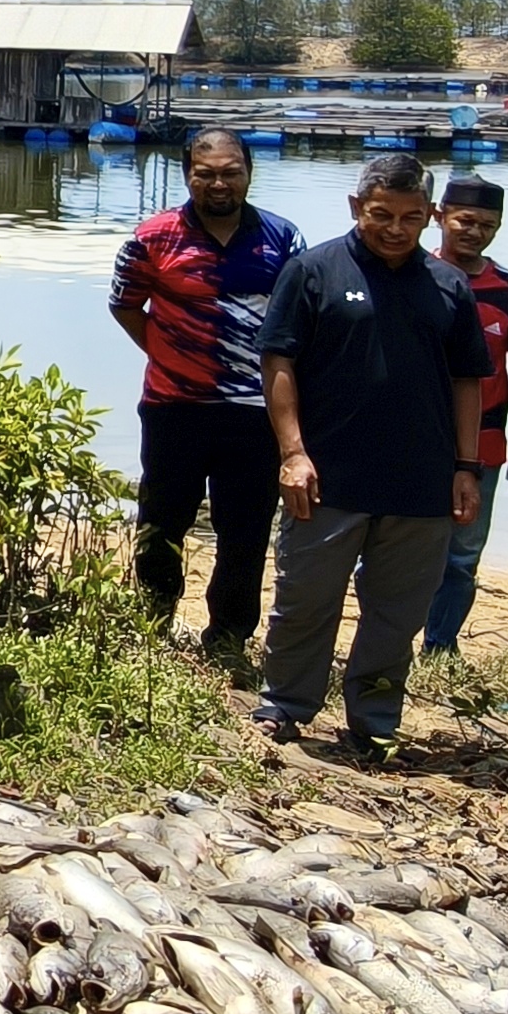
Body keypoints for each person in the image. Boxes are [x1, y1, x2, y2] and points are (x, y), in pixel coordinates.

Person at [255, 151, 491, 767]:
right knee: (305, 597)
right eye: (380, 214)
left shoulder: (449, 285)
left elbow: (469, 380)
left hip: (422, 483)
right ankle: (285, 704)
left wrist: (468, 468)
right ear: (357, 207)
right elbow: (277, 363)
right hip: (328, 476)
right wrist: (293, 452)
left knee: (396, 613)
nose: (394, 228)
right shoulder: (313, 270)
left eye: (411, 217)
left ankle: (374, 721)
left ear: (430, 216)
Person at [109, 128, 305, 657]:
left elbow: (295, 323)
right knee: (162, 520)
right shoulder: (152, 238)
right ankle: (153, 623)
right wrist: (169, 352)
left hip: (253, 412)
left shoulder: (283, 239)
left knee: (244, 530)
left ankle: (228, 637)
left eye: (230, 172)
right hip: (175, 407)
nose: (219, 183)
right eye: (206, 173)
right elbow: (125, 305)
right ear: (187, 174)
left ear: (248, 173)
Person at [421, 171, 508, 660]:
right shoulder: (412, 275)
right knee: (391, 551)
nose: (474, 232)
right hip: (415, 440)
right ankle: (385, 641)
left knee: (462, 555)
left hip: (483, 445)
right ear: (439, 217)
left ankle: (439, 648)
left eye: (487, 225)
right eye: (465, 220)